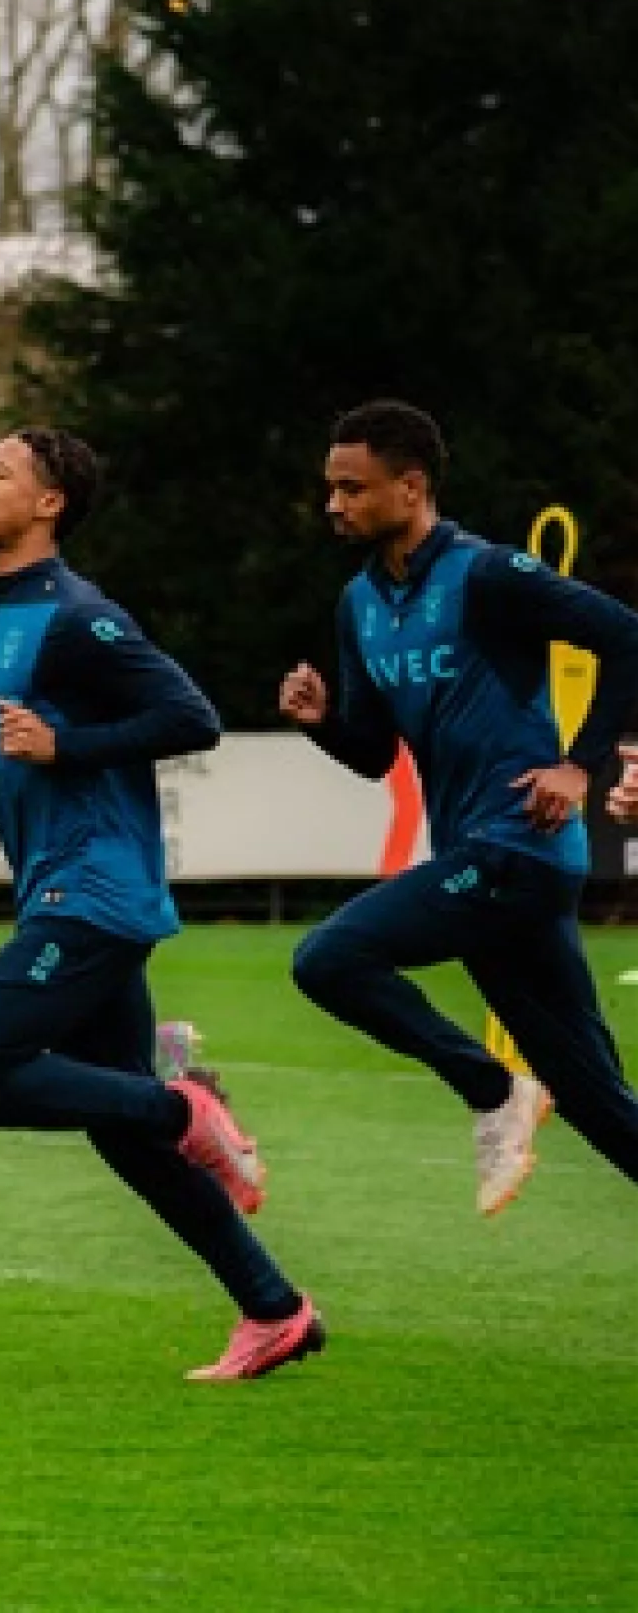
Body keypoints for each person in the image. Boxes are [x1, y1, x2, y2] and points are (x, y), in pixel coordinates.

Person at [0, 429, 319, 1381]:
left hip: (92, 892)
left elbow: (191, 716)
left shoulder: (79, 616)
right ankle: (275, 1310)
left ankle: (183, 1104)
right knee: (122, 1136)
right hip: (66, 889)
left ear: (48, 504)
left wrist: (70, 743)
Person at [281, 399, 638, 1209]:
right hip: (478, 864)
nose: (332, 505)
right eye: (329, 488)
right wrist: (320, 725)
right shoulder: (359, 605)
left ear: (410, 487)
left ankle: (485, 1084)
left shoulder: (486, 574)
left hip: (517, 849)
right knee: (594, 1101)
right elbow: (374, 752)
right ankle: (510, 1089)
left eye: (351, 488)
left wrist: (578, 766)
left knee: (328, 959)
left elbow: (625, 636)